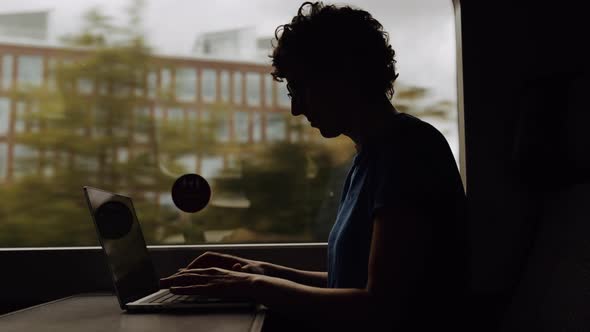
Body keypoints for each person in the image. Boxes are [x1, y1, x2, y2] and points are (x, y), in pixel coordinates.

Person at [160, 2, 470, 331]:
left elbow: (380, 307)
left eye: (298, 89)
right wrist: (259, 271)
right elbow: (345, 284)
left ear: (339, 78)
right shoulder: (370, 156)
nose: (294, 108)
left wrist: (249, 286)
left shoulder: (409, 152)